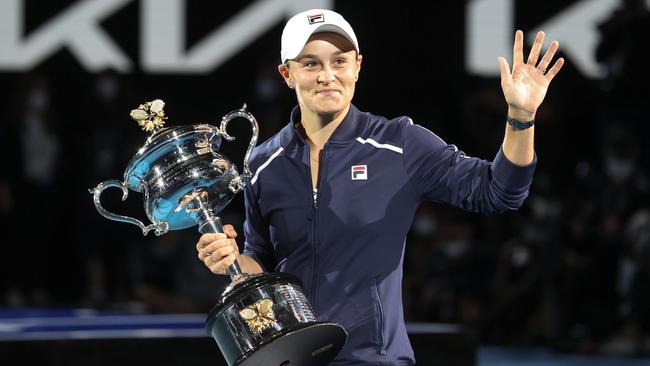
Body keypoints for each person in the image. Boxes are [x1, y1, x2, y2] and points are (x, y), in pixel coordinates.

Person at [195, 8, 564, 365]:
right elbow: (261, 259)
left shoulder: (399, 144)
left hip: (374, 359)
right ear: (287, 74)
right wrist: (231, 261)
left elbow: (498, 191)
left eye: (339, 61)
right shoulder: (262, 163)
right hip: (293, 357)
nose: (327, 75)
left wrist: (521, 116)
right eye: (311, 64)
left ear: (357, 65)